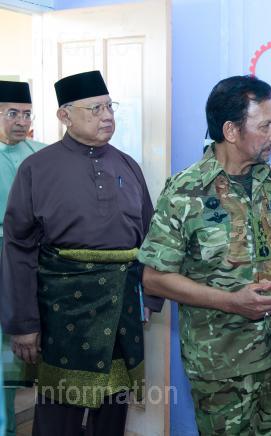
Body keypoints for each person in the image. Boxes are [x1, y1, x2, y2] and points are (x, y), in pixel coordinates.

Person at [138, 75, 271, 435]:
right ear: (231, 131)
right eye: (265, 126)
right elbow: (153, 279)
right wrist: (231, 302)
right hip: (220, 364)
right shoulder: (185, 191)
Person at [0, 70, 162, 436]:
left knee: (113, 410)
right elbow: (19, 249)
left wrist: (148, 299)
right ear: (65, 115)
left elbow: (151, 238)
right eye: (95, 109)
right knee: (60, 414)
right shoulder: (36, 168)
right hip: (62, 309)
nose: (107, 116)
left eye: (109, 107)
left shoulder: (127, 165)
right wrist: (24, 324)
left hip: (122, 306)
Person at [0, 80, 47, 436]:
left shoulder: (41, 154)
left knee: (30, 348)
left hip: (36, 261)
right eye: (12, 113)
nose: (21, 121)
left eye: (27, 114)